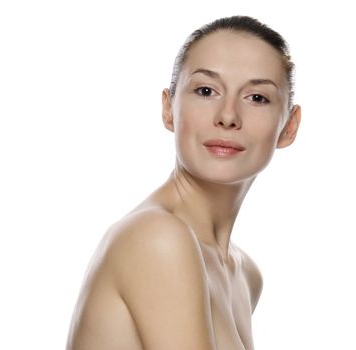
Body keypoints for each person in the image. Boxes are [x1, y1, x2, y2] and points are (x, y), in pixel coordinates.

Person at [66, 15, 301, 350]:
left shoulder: (245, 275)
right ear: (168, 109)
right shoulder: (157, 238)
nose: (228, 116)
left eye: (257, 97)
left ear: (289, 127)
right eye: (206, 91)